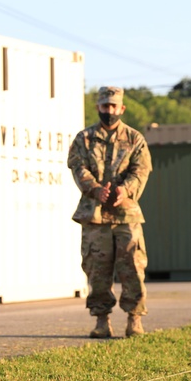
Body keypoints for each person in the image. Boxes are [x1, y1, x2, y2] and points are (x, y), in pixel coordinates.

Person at [67, 86, 152, 338]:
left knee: (133, 268)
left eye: (114, 106)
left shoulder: (135, 139)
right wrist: (94, 189)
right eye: (105, 106)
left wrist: (125, 190)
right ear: (98, 108)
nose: (109, 111)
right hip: (94, 215)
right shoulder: (84, 138)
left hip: (126, 215)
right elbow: (77, 166)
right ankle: (101, 320)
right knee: (97, 269)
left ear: (122, 108)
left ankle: (134, 319)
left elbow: (141, 170)